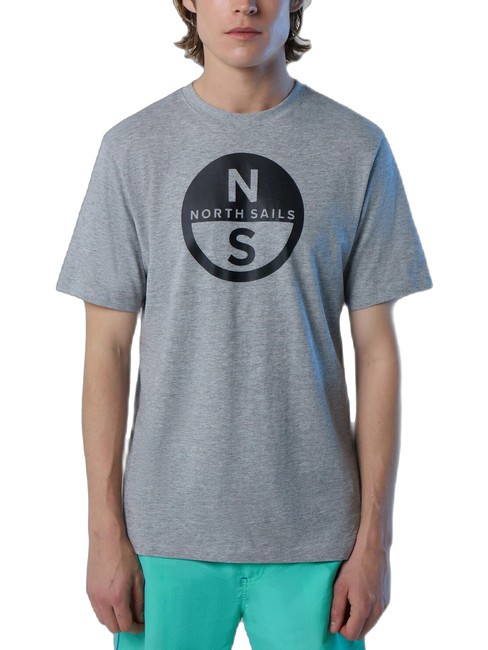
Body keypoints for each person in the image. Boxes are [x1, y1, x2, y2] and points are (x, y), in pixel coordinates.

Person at [55, 1, 434, 648]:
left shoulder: (356, 146)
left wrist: (375, 541)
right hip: (163, 535)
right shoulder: (133, 149)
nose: (245, 4)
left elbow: (377, 353)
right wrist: (103, 534)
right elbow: (106, 351)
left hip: (320, 538)